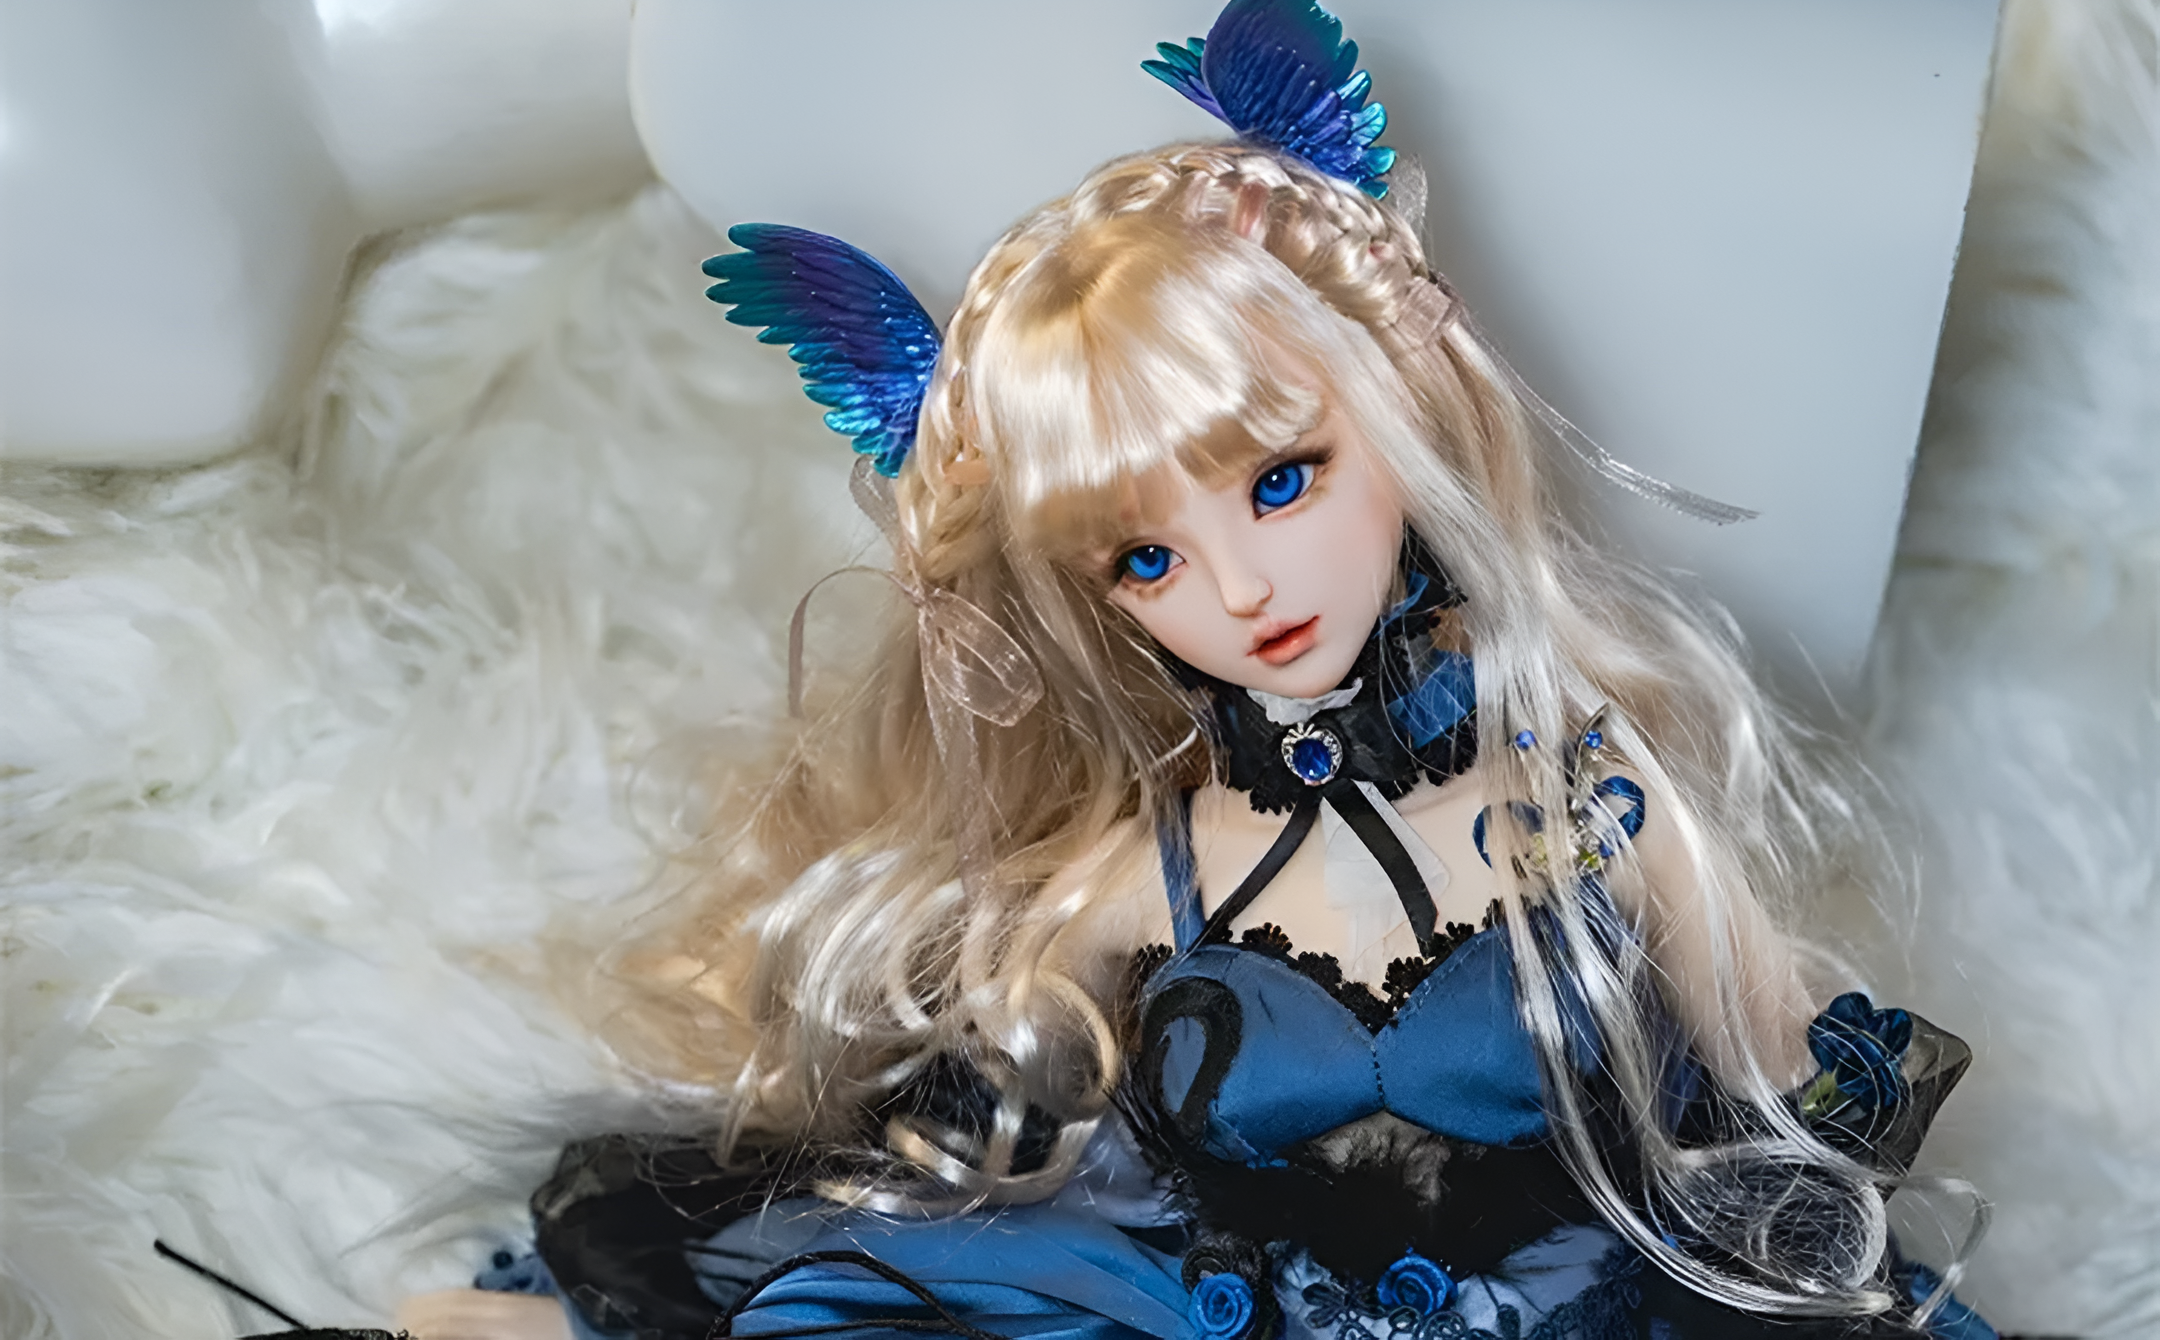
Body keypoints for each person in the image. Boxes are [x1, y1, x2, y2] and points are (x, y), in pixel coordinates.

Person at [394, 3, 1994, 1337]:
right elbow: (951, 1140)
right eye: (1143, 560)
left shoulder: (1589, 804)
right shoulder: (1148, 876)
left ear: (1402, 414)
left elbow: (1786, 1072)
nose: (1240, 588)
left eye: (1284, 480)